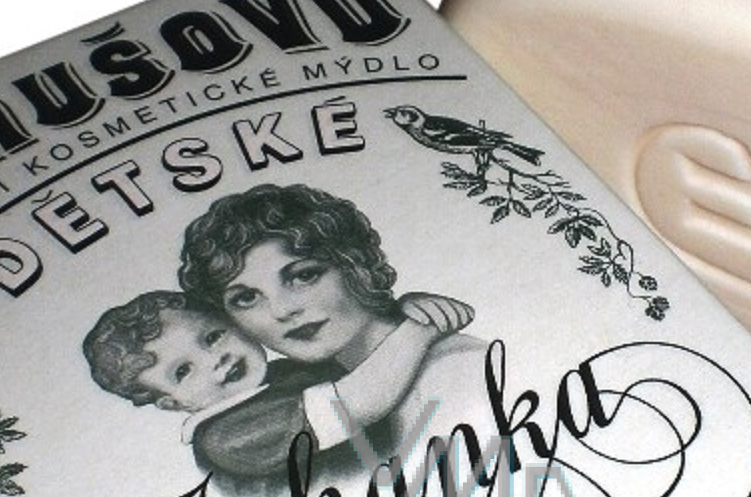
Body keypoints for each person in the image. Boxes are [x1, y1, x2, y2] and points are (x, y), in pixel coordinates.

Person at [177, 183, 490, 463]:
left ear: (354, 266)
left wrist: (419, 326)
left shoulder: (455, 368)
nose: (282, 310)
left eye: (304, 275)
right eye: (246, 298)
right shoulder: (290, 388)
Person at [82, 288, 474, 479]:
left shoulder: (285, 374)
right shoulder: (228, 434)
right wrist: (417, 330)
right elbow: (358, 402)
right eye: (183, 371)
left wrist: (397, 316)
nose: (216, 360)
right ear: (173, 403)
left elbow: (376, 362)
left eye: (213, 337)